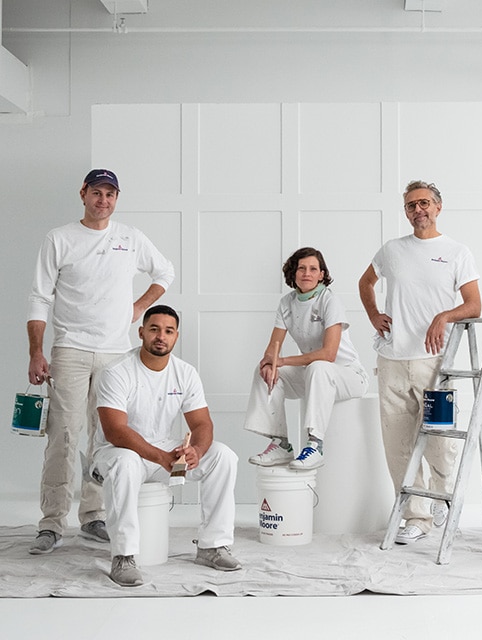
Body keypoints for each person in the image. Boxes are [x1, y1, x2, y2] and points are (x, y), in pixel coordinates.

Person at [26, 169, 174, 555]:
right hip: (70, 349)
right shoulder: (59, 239)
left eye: (110, 194)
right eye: (96, 192)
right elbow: (39, 297)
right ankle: (52, 524)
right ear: (83, 194)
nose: (103, 200)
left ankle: (94, 515)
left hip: (114, 354)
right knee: (64, 436)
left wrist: (138, 307)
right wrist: (36, 351)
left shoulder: (130, 238)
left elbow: (165, 272)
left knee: (107, 437)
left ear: (116, 198)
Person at [359, 180, 481, 544]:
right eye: (411, 206)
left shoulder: (457, 252)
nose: (418, 210)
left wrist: (443, 317)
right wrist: (374, 315)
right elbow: (365, 283)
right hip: (392, 360)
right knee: (397, 444)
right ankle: (416, 516)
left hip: (435, 363)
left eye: (424, 203)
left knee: (440, 440)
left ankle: (443, 498)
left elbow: (473, 305)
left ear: (438, 207)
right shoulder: (392, 250)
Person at [92, 305, 240, 587]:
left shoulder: (185, 373)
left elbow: (202, 424)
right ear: (141, 333)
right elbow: (115, 431)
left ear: (176, 336)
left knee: (223, 456)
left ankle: (212, 546)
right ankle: (123, 556)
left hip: (161, 451)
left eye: (168, 331)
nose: (161, 336)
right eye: (154, 329)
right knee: (125, 461)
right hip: (115, 453)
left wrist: (196, 450)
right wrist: (161, 457)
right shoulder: (117, 371)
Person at [244, 247, 369, 470]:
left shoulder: (330, 301)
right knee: (264, 370)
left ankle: (315, 445)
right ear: (294, 273)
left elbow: (329, 354)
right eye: (301, 268)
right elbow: (273, 347)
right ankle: (281, 443)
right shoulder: (287, 303)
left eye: (313, 269)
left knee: (319, 366)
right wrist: (269, 362)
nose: (307, 273)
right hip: (315, 376)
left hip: (348, 375)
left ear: (322, 274)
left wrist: (282, 361)